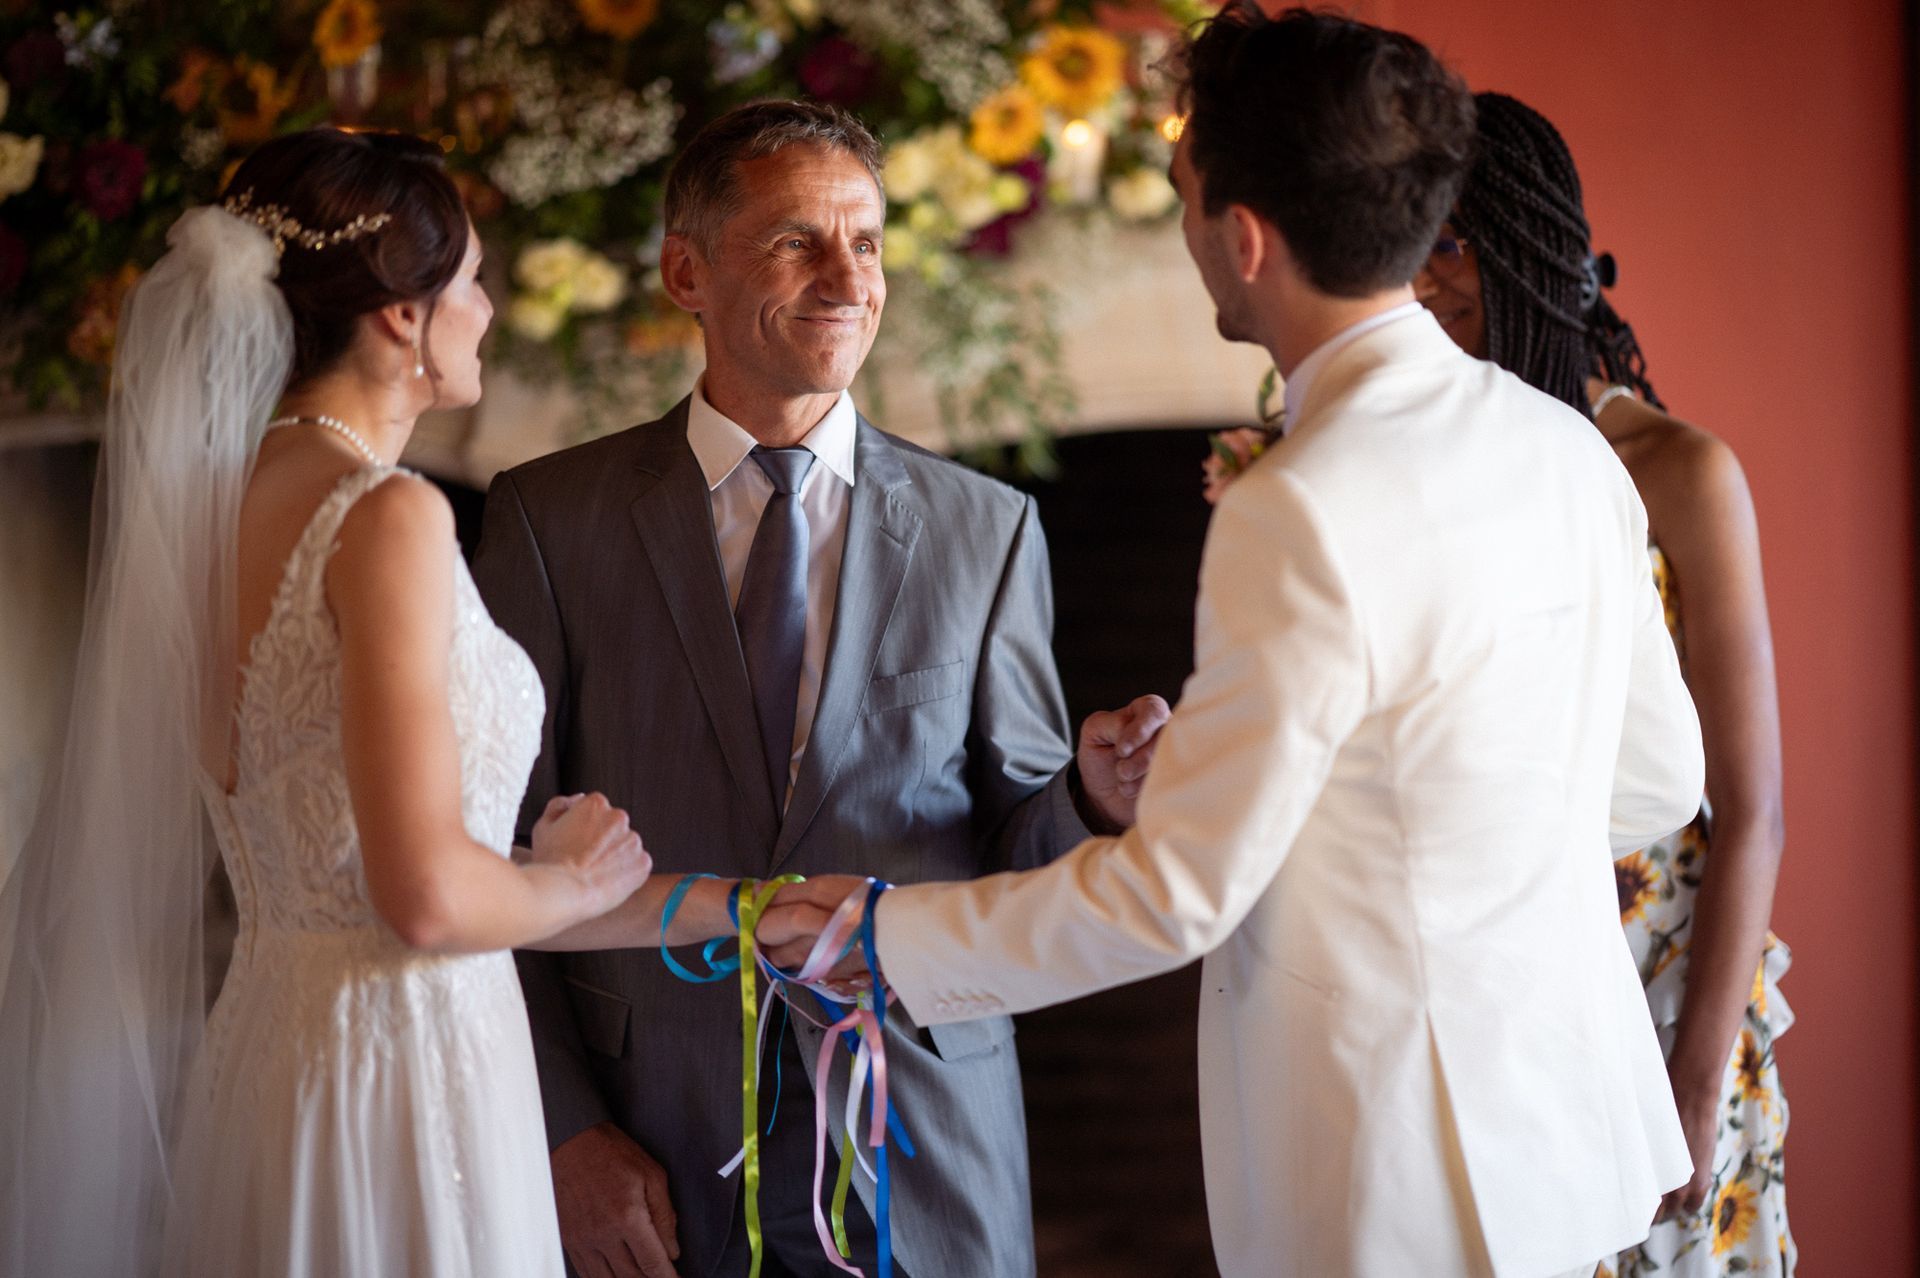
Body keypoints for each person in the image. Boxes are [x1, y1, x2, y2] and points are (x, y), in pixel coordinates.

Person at [768, 9, 1706, 1277]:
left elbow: (1174, 899)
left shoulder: (1301, 503)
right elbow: (1654, 780)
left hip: (1394, 1166)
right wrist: (1330, 806)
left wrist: (889, 941)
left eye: (1186, 194)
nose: (1185, 225)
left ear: (1248, 240)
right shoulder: (1564, 444)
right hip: (1560, 1133)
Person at [0, 128, 747, 1277]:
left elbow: (360, 874)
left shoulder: (213, 514)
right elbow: (428, 903)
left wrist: (732, 911)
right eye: (476, 279)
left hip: (271, 1054)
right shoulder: (384, 515)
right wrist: (569, 874)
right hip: (405, 1076)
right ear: (404, 312)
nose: (489, 310)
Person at [471, 99, 1165, 1278]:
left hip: (925, 1142)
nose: (848, 279)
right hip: (650, 1145)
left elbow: (1017, 846)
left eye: (870, 241)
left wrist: (1091, 803)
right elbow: (483, 857)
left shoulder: (988, 531)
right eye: (798, 240)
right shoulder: (549, 521)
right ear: (686, 271)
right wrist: (562, 1129)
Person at [1412, 91, 1794, 1276]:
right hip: (1488, 992)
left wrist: (1687, 1080)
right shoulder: (1423, 461)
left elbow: (1751, 811)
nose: (1423, 282)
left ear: (1534, 252)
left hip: (1658, 986)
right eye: (1407, 245)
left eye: (1452, 244)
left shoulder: (1677, 470)